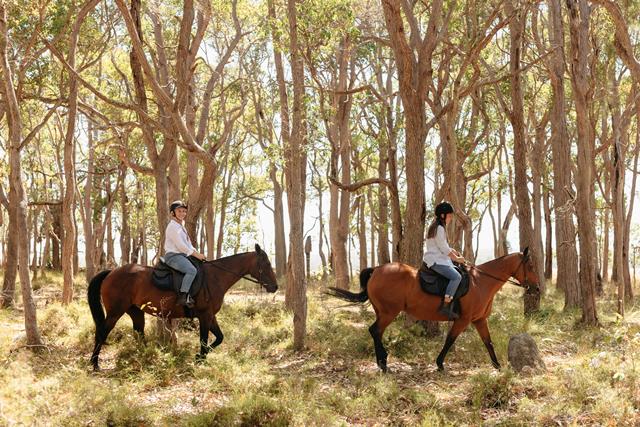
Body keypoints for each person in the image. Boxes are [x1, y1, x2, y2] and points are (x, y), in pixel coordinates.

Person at [423, 202, 466, 319]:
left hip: (438, 258)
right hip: (436, 260)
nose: (451, 218)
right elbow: (443, 249)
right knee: (457, 277)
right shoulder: (440, 228)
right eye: (450, 216)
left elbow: (443, 246)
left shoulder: (436, 226)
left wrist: (453, 251)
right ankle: (445, 307)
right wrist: (457, 259)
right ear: (442, 215)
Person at [163, 200, 206, 308]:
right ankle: (183, 296)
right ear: (173, 213)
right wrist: (196, 255)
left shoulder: (181, 227)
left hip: (182, 255)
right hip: (173, 256)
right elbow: (181, 246)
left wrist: (198, 254)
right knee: (191, 270)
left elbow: (188, 245)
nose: (182, 213)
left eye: (184, 211)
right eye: (179, 211)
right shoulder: (172, 227)